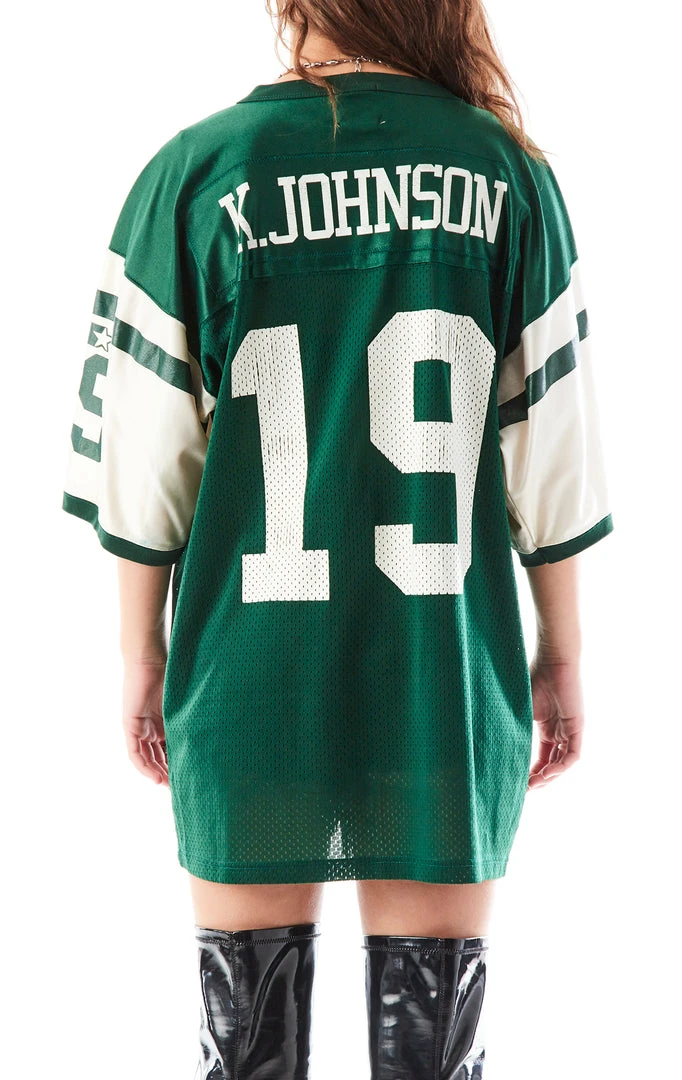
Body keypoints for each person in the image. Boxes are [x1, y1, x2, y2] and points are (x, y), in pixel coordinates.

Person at [60, 1, 614, 1076]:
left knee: (246, 1049)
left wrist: (140, 656)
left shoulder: (196, 171)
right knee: (434, 1048)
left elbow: (143, 458)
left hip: (248, 667)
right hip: (442, 667)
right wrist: (564, 653)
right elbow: (556, 448)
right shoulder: (504, 174)